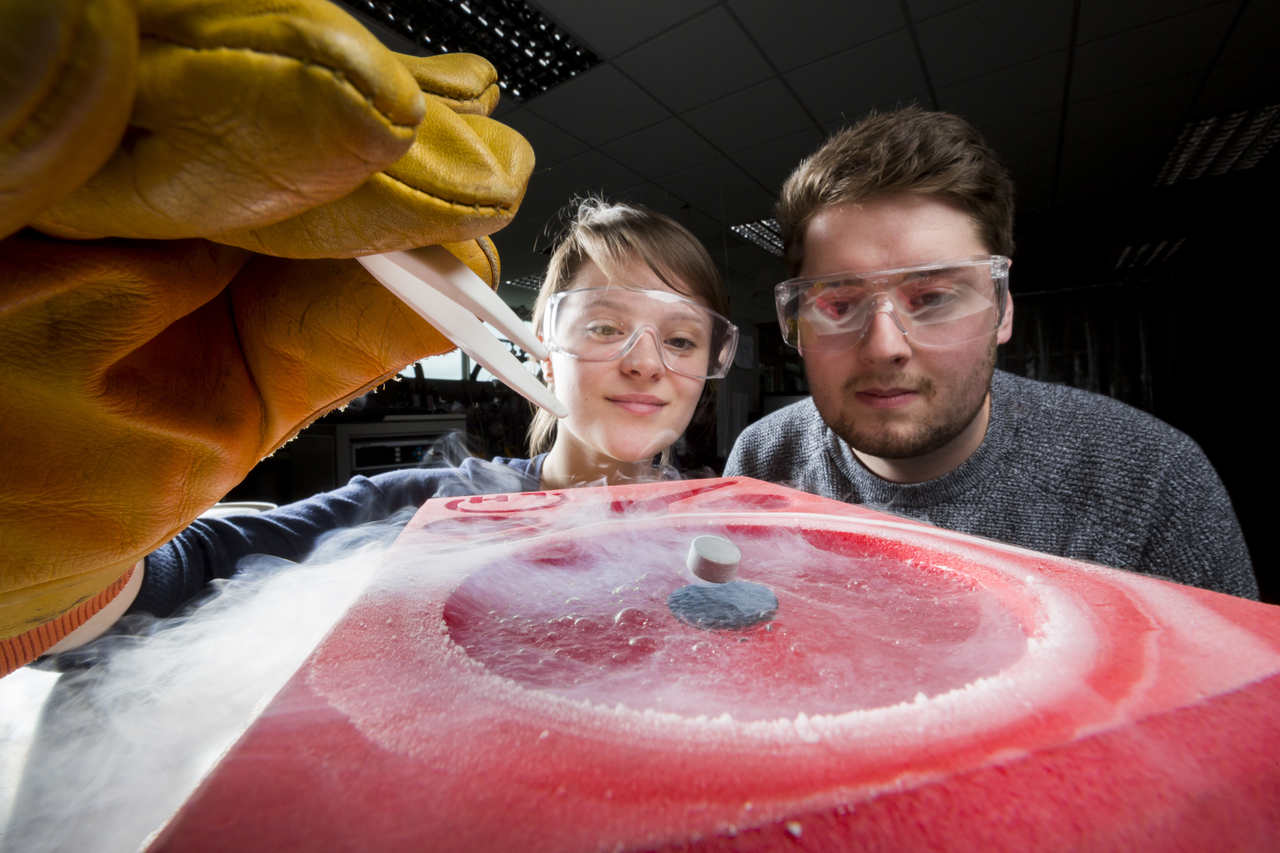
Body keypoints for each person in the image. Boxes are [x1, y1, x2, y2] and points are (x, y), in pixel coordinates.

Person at [46, 199, 738, 657]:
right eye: (606, 326)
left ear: (710, 363)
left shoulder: (738, 533)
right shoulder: (427, 511)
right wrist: (66, 537)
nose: (645, 361)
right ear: (543, 349)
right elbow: (187, 573)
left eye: (681, 340)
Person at [724, 107, 1257, 600]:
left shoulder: (1150, 482)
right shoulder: (763, 462)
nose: (884, 347)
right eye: (838, 305)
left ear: (1001, 310)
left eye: (932, 299)